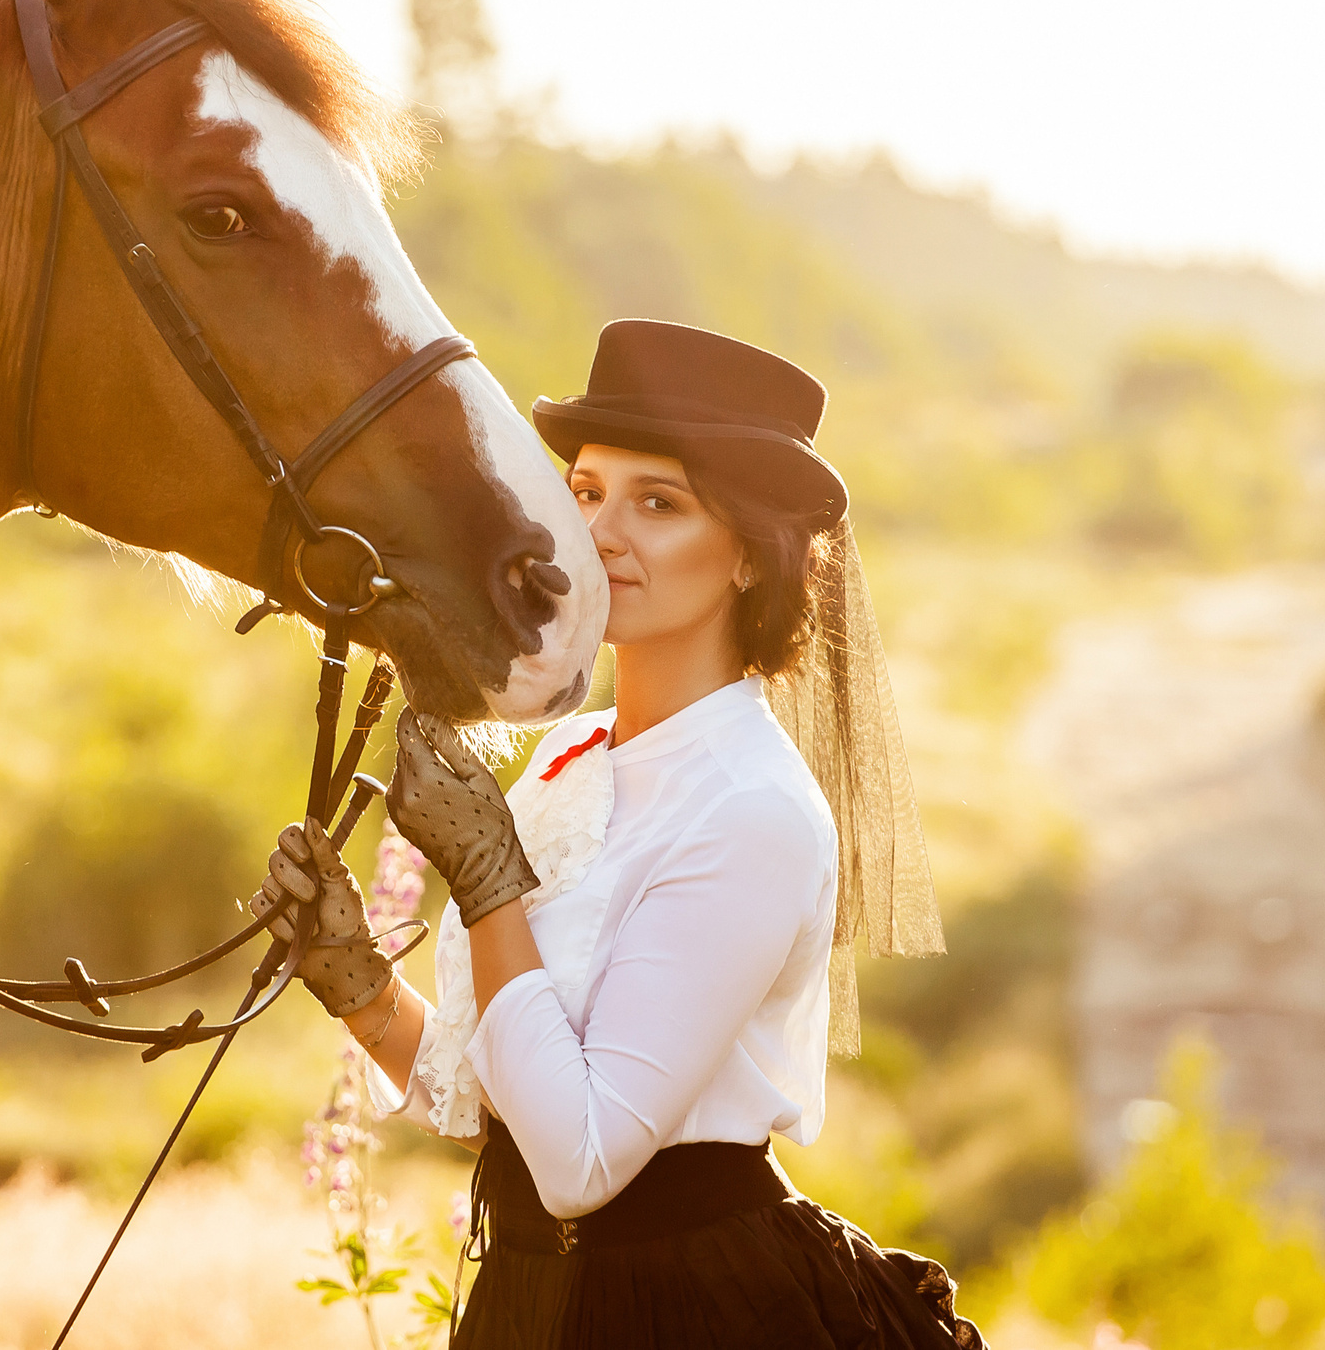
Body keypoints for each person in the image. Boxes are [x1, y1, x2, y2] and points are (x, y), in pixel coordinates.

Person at [251, 319, 988, 1349]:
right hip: (525, 1303)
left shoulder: (750, 810)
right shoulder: (567, 761)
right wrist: (362, 989)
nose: (599, 533)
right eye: (588, 491)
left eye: (660, 503)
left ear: (749, 558)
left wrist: (486, 876)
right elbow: (507, 1104)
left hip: (691, 1311)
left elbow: (582, 1161)